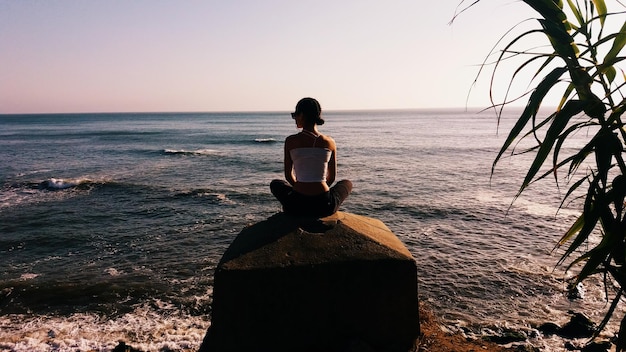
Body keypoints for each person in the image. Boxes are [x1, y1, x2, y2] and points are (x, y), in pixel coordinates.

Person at [270, 97, 352, 217]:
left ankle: (294, 208)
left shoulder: (291, 141)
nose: (294, 119)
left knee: (276, 184)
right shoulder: (330, 142)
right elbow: (332, 177)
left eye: (295, 115)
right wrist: (317, 192)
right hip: (324, 205)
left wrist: (300, 189)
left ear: (302, 115)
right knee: (347, 183)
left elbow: (288, 176)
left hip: (297, 204)